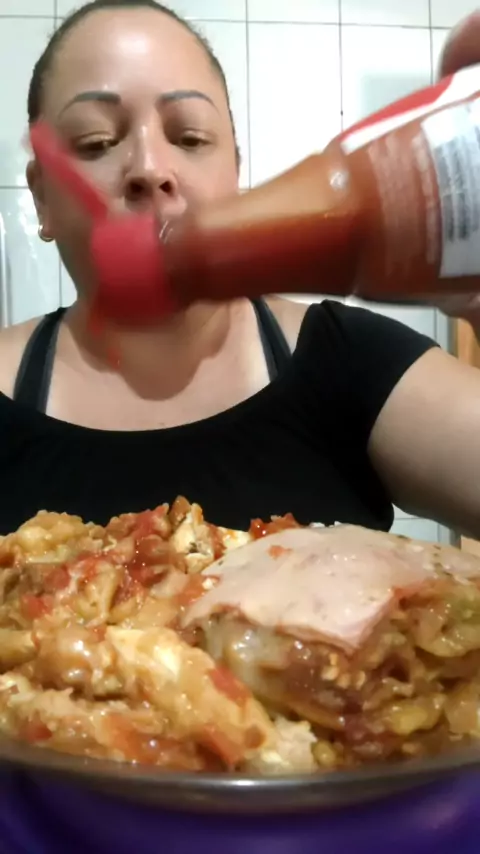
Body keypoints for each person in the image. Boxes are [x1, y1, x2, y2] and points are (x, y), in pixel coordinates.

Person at [0, 1, 479, 850]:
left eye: (189, 137)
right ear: (41, 199)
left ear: (236, 174)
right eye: (96, 143)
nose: (149, 168)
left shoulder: (346, 358)